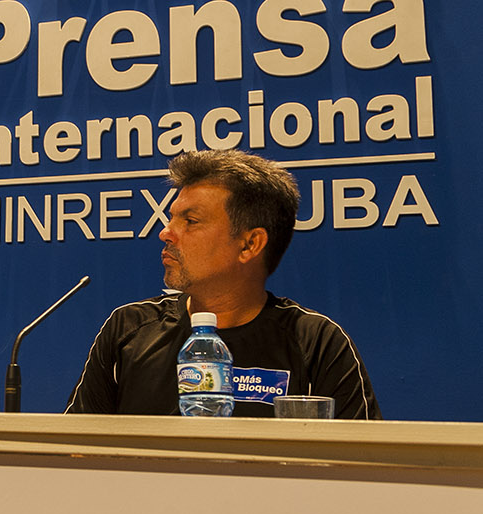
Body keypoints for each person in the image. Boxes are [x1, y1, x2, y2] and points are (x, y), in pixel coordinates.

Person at [65, 150, 381, 419]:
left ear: (249, 245)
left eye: (190, 221)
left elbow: (364, 470)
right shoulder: (128, 330)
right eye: (171, 217)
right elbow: (73, 453)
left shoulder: (317, 344)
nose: (166, 232)